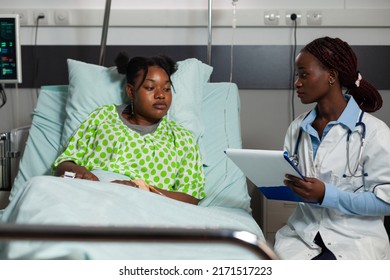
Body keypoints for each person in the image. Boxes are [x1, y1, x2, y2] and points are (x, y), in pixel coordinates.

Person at [274, 37, 390, 260]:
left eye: (304, 74)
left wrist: (327, 195)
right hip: (301, 237)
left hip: (354, 239)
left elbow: (385, 201)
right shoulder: (297, 128)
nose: (297, 83)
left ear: (331, 76)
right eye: (297, 75)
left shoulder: (374, 133)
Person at [52, 54, 206, 205]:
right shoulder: (103, 117)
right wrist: (77, 171)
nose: (160, 95)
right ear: (131, 91)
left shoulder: (181, 138)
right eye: (150, 88)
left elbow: (191, 196)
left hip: (145, 205)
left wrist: (143, 189)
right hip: (89, 194)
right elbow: (65, 163)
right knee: (37, 185)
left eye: (166, 89)